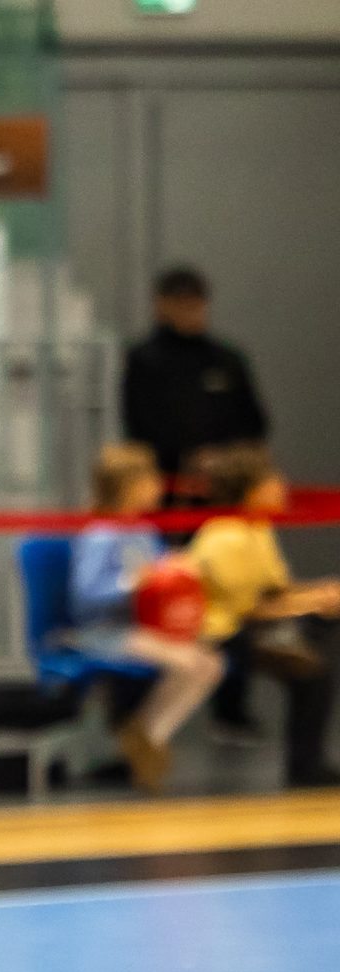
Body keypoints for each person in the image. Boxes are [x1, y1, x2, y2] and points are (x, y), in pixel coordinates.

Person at [65, 444, 224, 792]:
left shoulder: (144, 530)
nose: (157, 487)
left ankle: (146, 737)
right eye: (149, 479)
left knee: (208, 663)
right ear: (128, 485)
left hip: (145, 629)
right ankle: (145, 742)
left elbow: (160, 571)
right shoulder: (101, 534)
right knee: (192, 663)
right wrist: (133, 583)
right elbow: (86, 595)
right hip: (105, 631)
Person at [187, 445, 340, 788]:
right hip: (223, 636)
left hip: (252, 627)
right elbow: (248, 610)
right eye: (273, 481)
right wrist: (311, 603)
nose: (282, 487)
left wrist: (320, 593)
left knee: (319, 649)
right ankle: (305, 765)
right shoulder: (225, 536)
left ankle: (308, 762)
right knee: (312, 669)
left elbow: (275, 590)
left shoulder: (257, 528)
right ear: (252, 490)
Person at [122, 267, 268, 491]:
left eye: (195, 303)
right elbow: (139, 424)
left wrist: (223, 458)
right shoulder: (144, 360)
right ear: (162, 304)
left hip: (227, 483)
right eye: (181, 303)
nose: (189, 311)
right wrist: (185, 458)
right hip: (167, 483)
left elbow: (253, 422)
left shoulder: (226, 359)